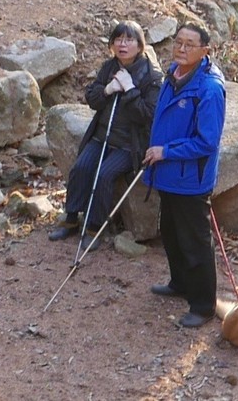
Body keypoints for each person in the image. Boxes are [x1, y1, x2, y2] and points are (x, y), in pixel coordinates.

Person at [49, 20, 164, 250]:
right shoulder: (109, 67)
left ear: (140, 46)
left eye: (129, 39)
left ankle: (94, 228)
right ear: (112, 44)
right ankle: (71, 219)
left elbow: (146, 115)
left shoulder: (152, 77)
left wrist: (130, 89)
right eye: (118, 39)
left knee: (104, 175)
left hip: (128, 144)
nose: (123, 44)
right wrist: (107, 89)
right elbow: (92, 98)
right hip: (102, 136)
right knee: (81, 168)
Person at [143, 21, 226, 328]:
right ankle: (180, 283)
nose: (181, 48)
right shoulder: (173, 74)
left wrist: (166, 151)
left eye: (189, 44)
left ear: (205, 51)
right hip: (167, 173)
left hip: (190, 177)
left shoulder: (209, 89)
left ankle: (204, 305)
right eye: (178, 42)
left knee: (195, 241)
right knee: (171, 232)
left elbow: (207, 141)